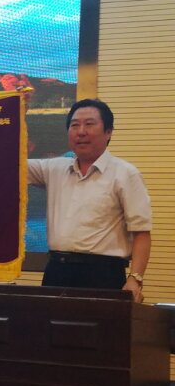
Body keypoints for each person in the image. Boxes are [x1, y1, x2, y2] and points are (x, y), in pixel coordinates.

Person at [28, 99, 152, 302]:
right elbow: (9, 164)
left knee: (101, 324)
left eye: (89, 124)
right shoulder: (53, 169)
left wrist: (135, 279)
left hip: (103, 275)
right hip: (57, 271)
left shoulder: (125, 174)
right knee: (51, 323)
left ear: (108, 132)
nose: (81, 132)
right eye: (74, 125)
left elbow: (141, 232)